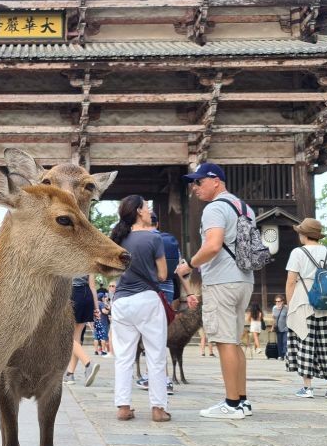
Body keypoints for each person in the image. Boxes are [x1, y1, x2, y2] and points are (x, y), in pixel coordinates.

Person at [177, 163, 254, 420]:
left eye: (199, 182)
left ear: (216, 181)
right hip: (244, 279)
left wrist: (189, 263)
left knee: (223, 341)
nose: (194, 187)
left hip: (222, 280)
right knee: (233, 340)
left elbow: (212, 246)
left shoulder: (215, 208)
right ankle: (242, 400)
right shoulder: (245, 208)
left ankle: (231, 404)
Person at [110, 195, 170, 422]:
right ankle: (158, 408)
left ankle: (123, 407)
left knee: (124, 357)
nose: (150, 209)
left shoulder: (117, 239)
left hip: (122, 302)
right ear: (138, 211)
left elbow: (113, 272)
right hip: (147, 299)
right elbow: (163, 275)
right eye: (146, 207)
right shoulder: (154, 238)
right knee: (155, 355)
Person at [285, 218, 327, 400]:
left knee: (306, 343)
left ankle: (307, 387)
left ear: (304, 234)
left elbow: (291, 281)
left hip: (304, 300)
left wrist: (290, 306)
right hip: (326, 302)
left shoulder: (298, 252)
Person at [63, 272, 101, 386]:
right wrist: (96, 308)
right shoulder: (90, 260)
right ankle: (70, 374)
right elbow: (93, 287)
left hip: (73, 295)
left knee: (67, 337)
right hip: (87, 297)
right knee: (76, 338)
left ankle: (88, 364)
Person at [93, 291, 112, 356]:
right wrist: (109, 309)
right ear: (102, 298)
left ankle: (96, 351)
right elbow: (104, 312)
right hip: (103, 322)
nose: (105, 298)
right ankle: (103, 351)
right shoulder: (101, 304)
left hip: (96, 322)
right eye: (104, 297)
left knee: (96, 338)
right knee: (103, 337)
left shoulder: (94, 304)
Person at [272, 295, 288, 360]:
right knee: (279, 342)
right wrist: (273, 326)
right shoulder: (274, 308)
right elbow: (274, 318)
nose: (277, 303)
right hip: (278, 328)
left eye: (279, 301)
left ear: (282, 301)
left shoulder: (286, 308)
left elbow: (288, 317)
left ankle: (285, 354)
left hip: (285, 328)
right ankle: (280, 355)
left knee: (285, 341)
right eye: (276, 301)